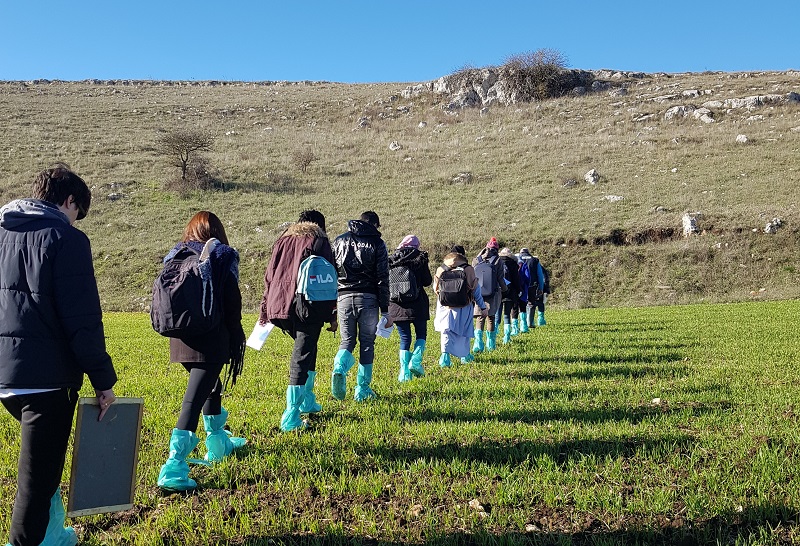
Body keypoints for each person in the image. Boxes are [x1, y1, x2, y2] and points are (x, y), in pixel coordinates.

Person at [0, 163, 118, 546]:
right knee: (34, 488)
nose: (75, 221)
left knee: (44, 473)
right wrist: (103, 380)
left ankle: (53, 535)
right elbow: (82, 321)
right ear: (69, 201)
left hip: (5, 378)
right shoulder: (65, 240)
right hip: (47, 383)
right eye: (77, 213)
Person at [157, 211, 246, 492]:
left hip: (181, 339)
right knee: (193, 400)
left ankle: (218, 443)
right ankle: (174, 466)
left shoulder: (175, 254)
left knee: (211, 386)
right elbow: (232, 301)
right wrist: (236, 336)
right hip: (212, 338)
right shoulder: (222, 254)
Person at [259, 210, 337, 431]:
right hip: (307, 304)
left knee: (307, 347)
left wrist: (265, 310)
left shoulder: (282, 240)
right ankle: (292, 414)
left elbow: (269, 275)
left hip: (279, 303)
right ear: (320, 225)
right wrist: (332, 313)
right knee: (302, 353)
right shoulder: (319, 240)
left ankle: (307, 400)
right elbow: (328, 280)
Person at [331, 211, 390, 401]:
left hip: (343, 297)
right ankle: (362, 389)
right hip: (369, 298)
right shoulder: (377, 243)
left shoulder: (339, 240)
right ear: (374, 224)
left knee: (347, 340)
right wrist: (386, 309)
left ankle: (340, 367)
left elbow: (332, 272)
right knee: (367, 344)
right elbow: (382, 277)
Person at [388, 234, 432, 382]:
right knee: (421, 334)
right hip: (418, 304)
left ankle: (404, 372)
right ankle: (416, 362)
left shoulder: (391, 259)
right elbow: (427, 281)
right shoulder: (420, 257)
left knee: (404, 338)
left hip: (397, 305)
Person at [434, 245, 488, 367]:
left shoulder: (441, 269)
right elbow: (476, 290)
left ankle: (445, 357)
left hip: (445, 306)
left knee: (446, 331)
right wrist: (482, 307)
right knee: (464, 332)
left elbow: (435, 289)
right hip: (464, 306)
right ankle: (465, 356)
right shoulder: (468, 269)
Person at [471, 237, 507, 354]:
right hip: (493, 292)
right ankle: (490, 344)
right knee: (491, 317)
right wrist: (505, 288)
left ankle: (478, 343)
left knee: (480, 317)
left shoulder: (476, 259)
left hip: (478, 292)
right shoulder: (498, 260)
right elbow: (500, 278)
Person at [517, 248, 545, 329]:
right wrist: (541, 287)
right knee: (531, 303)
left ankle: (522, 323)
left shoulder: (517, 259)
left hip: (520, 285)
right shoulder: (535, 260)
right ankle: (530, 322)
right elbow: (540, 275)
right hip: (532, 285)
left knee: (521, 303)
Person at [498, 247, 521, 344]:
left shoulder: (496, 263)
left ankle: (492, 337)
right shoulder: (513, 264)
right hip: (510, 293)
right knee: (507, 315)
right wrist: (519, 291)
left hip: (498, 292)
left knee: (496, 315)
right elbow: (516, 280)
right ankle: (506, 337)